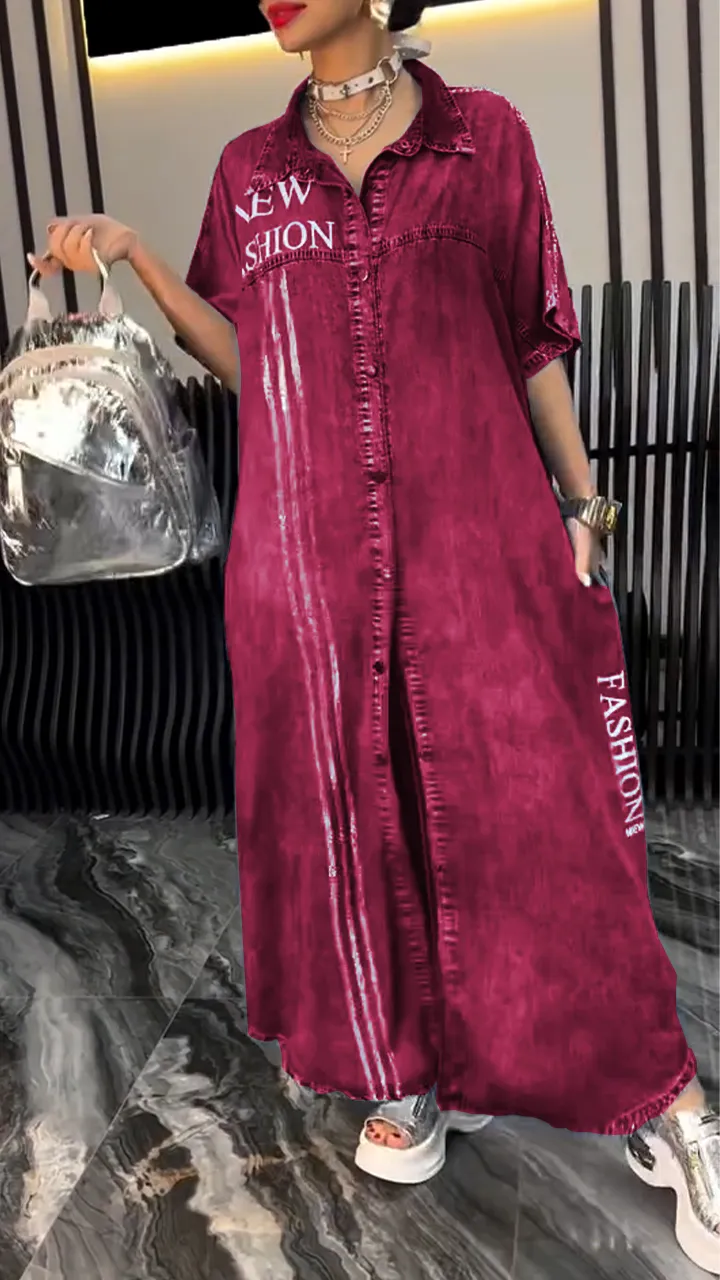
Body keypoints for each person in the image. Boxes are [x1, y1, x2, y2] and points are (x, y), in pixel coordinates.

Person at [31, 0, 718, 1270]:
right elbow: (251, 356)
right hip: (312, 564)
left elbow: (532, 342)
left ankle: (663, 1101)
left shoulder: (484, 139)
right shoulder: (251, 172)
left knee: (549, 818)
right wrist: (136, 256)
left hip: (479, 541)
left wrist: (586, 505)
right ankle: (415, 1071)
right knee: (359, 817)